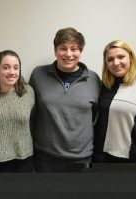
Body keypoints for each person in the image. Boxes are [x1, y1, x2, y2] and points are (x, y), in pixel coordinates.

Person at [29, 27, 101, 172]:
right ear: (55, 51)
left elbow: (94, 116)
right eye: (63, 48)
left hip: (82, 158)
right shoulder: (38, 75)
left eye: (74, 49)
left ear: (80, 52)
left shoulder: (93, 79)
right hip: (45, 157)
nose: (68, 54)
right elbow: (31, 113)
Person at [93, 40, 136, 163]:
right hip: (101, 157)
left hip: (135, 159)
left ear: (130, 58)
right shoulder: (103, 86)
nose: (116, 62)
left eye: (121, 57)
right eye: (110, 59)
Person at [0, 50, 35, 172]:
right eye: (6, 67)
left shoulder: (29, 92)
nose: (12, 72)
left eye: (16, 68)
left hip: (24, 159)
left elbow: (34, 122)